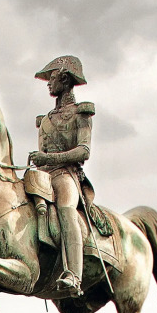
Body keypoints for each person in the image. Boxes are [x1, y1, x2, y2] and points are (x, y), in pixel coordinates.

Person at [28, 55, 95, 297]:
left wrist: (50, 160)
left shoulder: (81, 112)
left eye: (52, 77)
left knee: (66, 208)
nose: (48, 83)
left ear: (64, 79)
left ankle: (73, 275)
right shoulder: (44, 119)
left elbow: (83, 151)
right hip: (42, 175)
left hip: (66, 175)